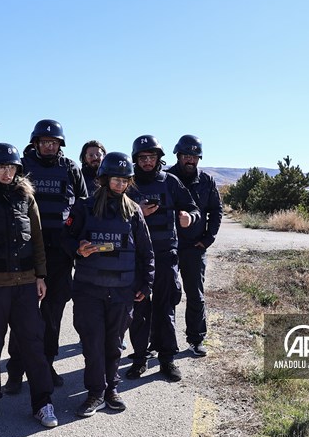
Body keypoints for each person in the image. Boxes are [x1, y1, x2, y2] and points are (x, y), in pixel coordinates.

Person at [0, 143, 57, 428]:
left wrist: (40, 276)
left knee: (32, 344)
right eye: (1, 167)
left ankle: (43, 403)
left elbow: (38, 239)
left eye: (12, 167)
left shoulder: (26, 197)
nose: (7, 172)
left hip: (26, 284)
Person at [64, 152, 154, 416]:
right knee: (92, 343)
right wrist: (78, 249)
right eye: (115, 179)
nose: (120, 185)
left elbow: (145, 252)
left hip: (122, 290)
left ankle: (111, 389)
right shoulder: (84, 207)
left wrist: (146, 284)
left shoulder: (133, 210)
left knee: (114, 343)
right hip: (89, 290)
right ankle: (95, 393)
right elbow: (64, 239)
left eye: (125, 180)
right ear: (104, 179)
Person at [17, 120, 88, 388]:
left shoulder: (70, 168)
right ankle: (16, 369)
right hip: (26, 249)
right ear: (35, 143)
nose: (49, 145)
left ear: (60, 144)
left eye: (54, 142)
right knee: (22, 311)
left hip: (60, 251)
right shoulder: (22, 166)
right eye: (44, 141)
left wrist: (77, 241)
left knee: (53, 311)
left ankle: (47, 364)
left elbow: (82, 205)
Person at [124, 135, 199, 382]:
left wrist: (189, 216)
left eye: (152, 157)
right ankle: (140, 358)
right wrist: (138, 212)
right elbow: (112, 215)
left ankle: (167, 359)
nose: (147, 162)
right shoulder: (129, 184)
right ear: (136, 160)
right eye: (143, 158)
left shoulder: (171, 182)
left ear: (159, 158)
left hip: (166, 255)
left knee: (165, 308)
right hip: (137, 258)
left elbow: (193, 208)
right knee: (139, 309)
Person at [166, 134, 222, 357]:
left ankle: (196, 339)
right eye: (186, 155)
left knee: (195, 295)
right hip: (167, 245)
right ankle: (158, 341)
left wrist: (208, 239)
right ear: (178, 155)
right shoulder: (165, 177)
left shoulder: (207, 181)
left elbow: (216, 211)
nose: (190, 160)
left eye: (194, 156)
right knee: (165, 294)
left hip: (194, 246)